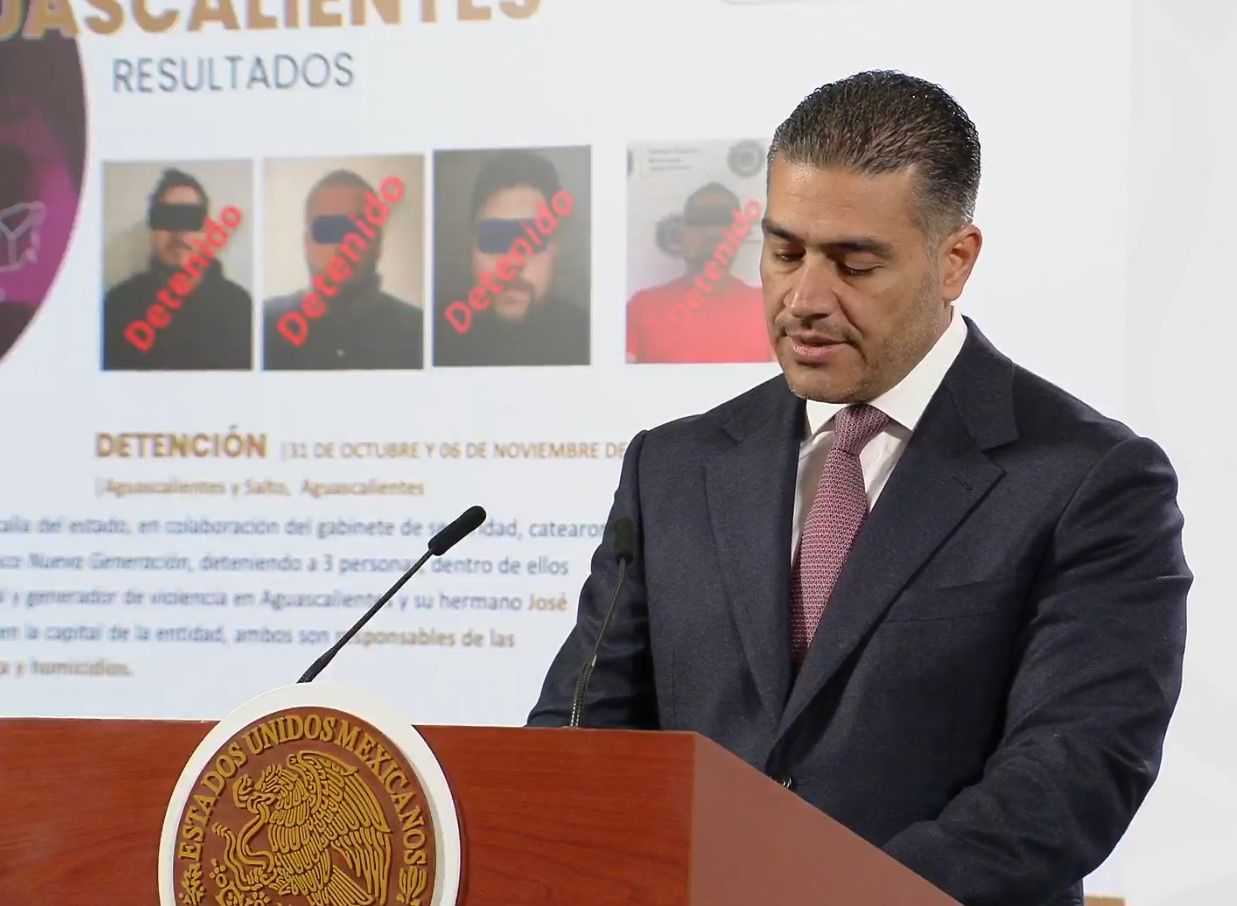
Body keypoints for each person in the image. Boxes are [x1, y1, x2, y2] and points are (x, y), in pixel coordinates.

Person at [529, 71, 1190, 906]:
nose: (804, 298)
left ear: (954, 261)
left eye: (854, 264)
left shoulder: (1089, 479)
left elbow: (1071, 777)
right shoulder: (672, 465)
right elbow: (581, 734)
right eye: (783, 253)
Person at [434, 151, 589, 367]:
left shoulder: (586, 337)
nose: (512, 263)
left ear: (555, 247)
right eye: (495, 238)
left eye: (533, 239)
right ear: (472, 246)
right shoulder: (434, 334)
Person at [264, 169, 424, 370]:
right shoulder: (264, 325)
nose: (342, 246)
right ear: (306, 243)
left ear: (378, 243)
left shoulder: (419, 332)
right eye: (327, 230)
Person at [102, 168, 252, 370]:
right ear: (152, 229)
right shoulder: (116, 306)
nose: (179, 232)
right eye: (167, 218)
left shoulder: (240, 308)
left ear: (206, 231)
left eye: (190, 219)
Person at [627, 182, 772, 363]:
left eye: (723, 221)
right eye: (699, 220)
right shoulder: (642, 307)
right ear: (682, 234)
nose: (711, 233)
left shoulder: (766, 307)